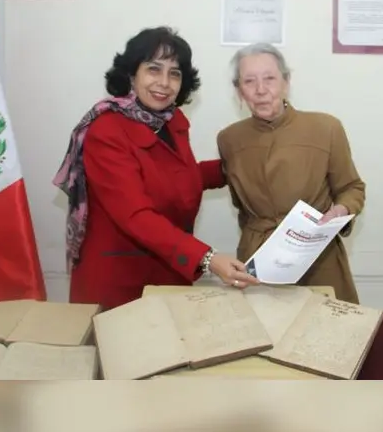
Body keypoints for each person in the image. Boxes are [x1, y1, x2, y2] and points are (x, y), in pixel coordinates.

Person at [53, 27, 259, 309]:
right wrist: (207, 258)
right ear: (131, 75)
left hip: (166, 274)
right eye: (153, 69)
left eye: (174, 73)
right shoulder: (106, 130)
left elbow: (177, 180)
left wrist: (233, 167)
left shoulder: (170, 121)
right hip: (120, 283)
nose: (164, 82)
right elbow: (135, 214)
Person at [216, 43, 366, 303]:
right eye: (249, 81)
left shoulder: (326, 128)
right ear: (239, 91)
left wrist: (340, 211)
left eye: (270, 79)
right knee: (265, 336)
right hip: (259, 259)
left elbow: (352, 188)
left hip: (318, 255)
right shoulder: (229, 139)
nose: (261, 90)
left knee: (328, 336)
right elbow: (241, 207)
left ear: (286, 82)